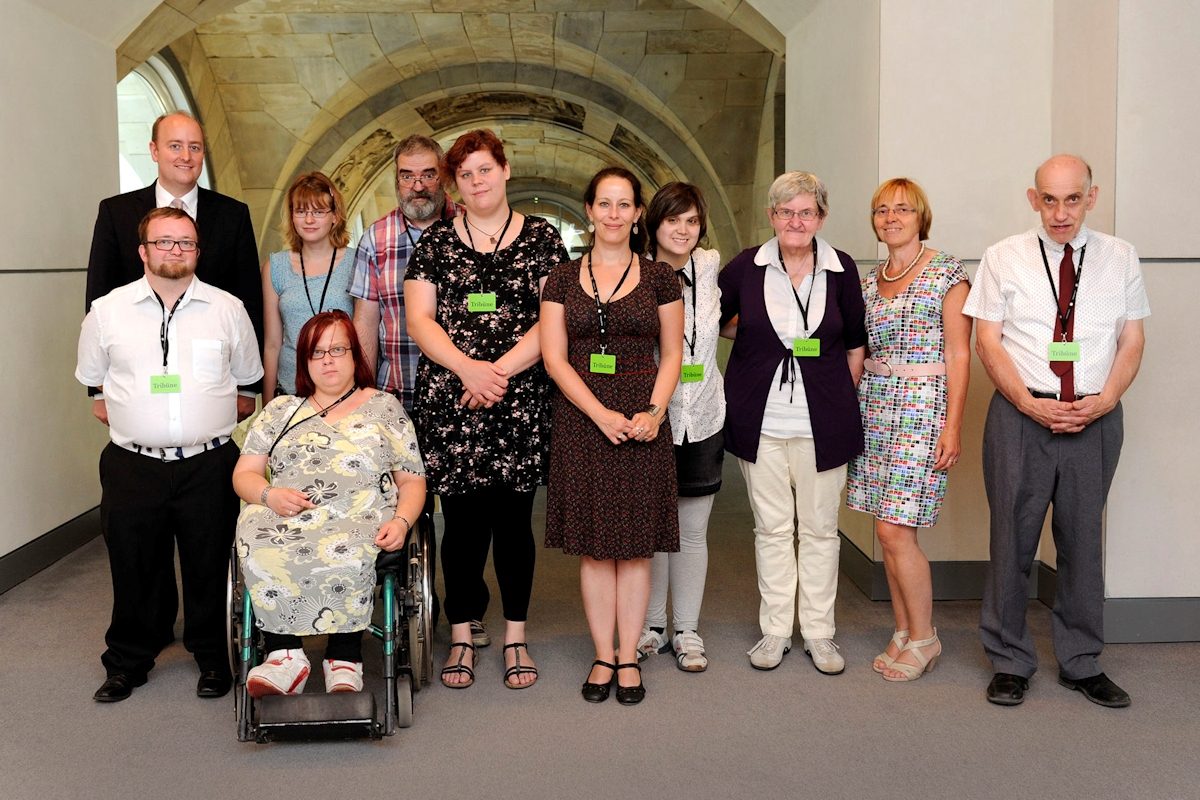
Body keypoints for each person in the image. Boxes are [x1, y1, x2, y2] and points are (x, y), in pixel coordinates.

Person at [965, 154, 1149, 708]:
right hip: (1021, 417)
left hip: (1095, 417)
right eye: (1049, 199)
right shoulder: (1002, 256)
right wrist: (1028, 403)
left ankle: (1081, 661)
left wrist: (1105, 400)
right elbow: (987, 340)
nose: (1060, 212)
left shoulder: (1120, 257)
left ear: (1091, 197)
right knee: (1011, 538)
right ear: (1033, 199)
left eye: (1072, 199)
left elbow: (1132, 339)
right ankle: (1009, 660)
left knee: (1082, 541)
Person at [76, 206, 263, 703]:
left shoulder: (228, 309)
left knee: (210, 564)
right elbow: (96, 388)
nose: (174, 250)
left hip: (209, 462)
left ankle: (213, 658)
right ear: (143, 250)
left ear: (198, 251)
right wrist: (145, 424)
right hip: (132, 465)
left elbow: (247, 385)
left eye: (185, 242)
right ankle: (127, 662)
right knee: (133, 566)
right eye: (163, 241)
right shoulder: (107, 310)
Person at [406, 129, 569, 690]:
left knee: (515, 524)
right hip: (453, 400)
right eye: (466, 174)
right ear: (456, 184)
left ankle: (516, 636)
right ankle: (461, 634)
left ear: (505, 170)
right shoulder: (435, 243)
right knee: (461, 527)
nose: (477, 181)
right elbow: (420, 319)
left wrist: (496, 371)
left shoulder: (543, 238)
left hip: (518, 399)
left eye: (485, 169)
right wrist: (467, 369)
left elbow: (552, 320)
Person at [542, 166, 684, 705]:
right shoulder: (560, 278)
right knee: (596, 551)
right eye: (605, 203)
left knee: (637, 549)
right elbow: (554, 359)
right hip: (583, 420)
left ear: (638, 213)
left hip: (643, 420)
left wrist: (654, 411)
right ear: (589, 210)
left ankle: (629, 656)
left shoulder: (660, 277)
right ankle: (603, 654)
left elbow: (672, 353)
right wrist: (600, 414)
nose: (614, 214)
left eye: (625, 204)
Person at [231, 310, 426, 696]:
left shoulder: (384, 407)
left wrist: (402, 521)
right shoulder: (280, 411)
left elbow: (412, 479)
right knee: (256, 533)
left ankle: (344, 656)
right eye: (316, 352)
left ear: (355, 355)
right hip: (288, 512)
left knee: (345, 548)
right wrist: (270, 495)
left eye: (338, 349)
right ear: (304, 361)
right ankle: (285, 656)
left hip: (361, 513)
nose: (328, 360)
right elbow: (244, 474)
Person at [719, 171, 866, 675]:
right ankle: (777, 630)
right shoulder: (746, 267)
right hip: (760, 422)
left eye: (806, 212)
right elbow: (710, 320)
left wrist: (836, 394)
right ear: (772, 216)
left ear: (821, 217)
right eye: (786, 212)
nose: (796, 221)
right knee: (773, 530)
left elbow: (855, 344)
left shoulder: (842, 269)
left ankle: (819, 633)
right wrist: (755, 336)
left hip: (822, 422)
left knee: (821, 531)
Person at [349, 135, 475, 645]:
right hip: (398, 397)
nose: (417, 185)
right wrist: (361, 395)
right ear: (395, 180)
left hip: (463, 396)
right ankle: (405, 608)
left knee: (464, 515)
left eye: (427, 174)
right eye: (407, 175)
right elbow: (366, 321)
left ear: (443, 177)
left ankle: (467, 610)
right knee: (399, 507)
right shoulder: (376, 239)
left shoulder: (469, 226)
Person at [846, 178, 972, 681]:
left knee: (896, 529)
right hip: (875, 406)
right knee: (884, 529)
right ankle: (903, 630)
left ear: (921, 216)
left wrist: (953, 426)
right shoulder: (868, 281)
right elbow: (857, 350)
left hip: (923, 408)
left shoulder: (947, 272)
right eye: (882, 210)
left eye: (902, 209)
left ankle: (925, 637)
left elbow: (959, 354)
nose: (891, 218)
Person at [86, 111, 262, 423]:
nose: (186, 156)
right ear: (154, 150)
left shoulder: (233, 214)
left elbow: (249, 297)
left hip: (210, 379)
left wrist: (248, 389)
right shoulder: (116, 212)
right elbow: (98, 296)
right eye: (175, 146)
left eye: (195, 147)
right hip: (137, 375)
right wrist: (98, 390)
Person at [636, 182, 725, 673]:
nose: (683, 230)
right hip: (653, 417)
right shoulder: (635, 273)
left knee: (692, 531)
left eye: (692, 221)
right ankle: (651, 627)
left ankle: (687, 629)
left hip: (704, 414)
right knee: (653, 529)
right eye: (673, 220)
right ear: (654, 223)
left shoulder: (710, 266)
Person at [261, 172, 354, 401]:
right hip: (291, 388)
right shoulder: (275, 266)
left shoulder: (356, 262)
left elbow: (365, 335)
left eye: (319, 212)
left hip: (344, 389)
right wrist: (268, 404)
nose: (309, 220)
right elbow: (272, 343)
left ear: (335, 216)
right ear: (292, 216)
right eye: (301, 211)